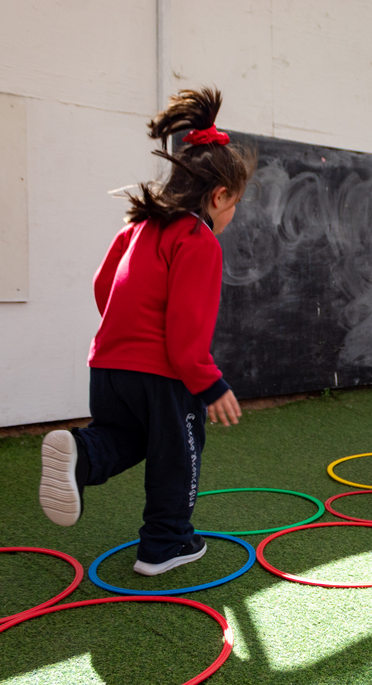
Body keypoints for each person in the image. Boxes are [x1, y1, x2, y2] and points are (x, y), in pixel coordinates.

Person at [38, 87, 253, 576]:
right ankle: (166, 543)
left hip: (108, 365)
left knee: (128, 436)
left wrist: (125, 334)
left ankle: (82, 454)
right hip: (164, 374)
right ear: (219, 195)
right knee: (178, 453)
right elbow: (186, 330)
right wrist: (210, 383)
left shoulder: (136, 228)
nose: (232, 215)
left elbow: (103, 287)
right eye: (235, 204)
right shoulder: (198, 239)